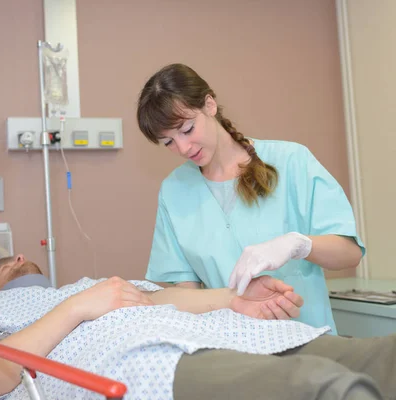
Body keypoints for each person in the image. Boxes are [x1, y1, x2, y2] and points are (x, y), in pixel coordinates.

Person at [0, 261, 393, 400]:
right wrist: (77, 308)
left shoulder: (91, 283)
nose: (18, 260)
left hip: (197, 326)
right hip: (143, 353)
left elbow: (159, 299)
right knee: (311, 387)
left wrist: (232, 300)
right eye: (7, 264)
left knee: (376, 357)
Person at [136, 63, 365, 333]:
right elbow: (184, 293)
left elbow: (349, 254)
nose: (183, 147)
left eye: (187, 130)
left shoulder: (292, 162)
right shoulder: (175, 190)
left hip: (308, 340)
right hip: (232, 351)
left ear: (209, 105)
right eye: (169, 142)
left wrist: (297, 244)